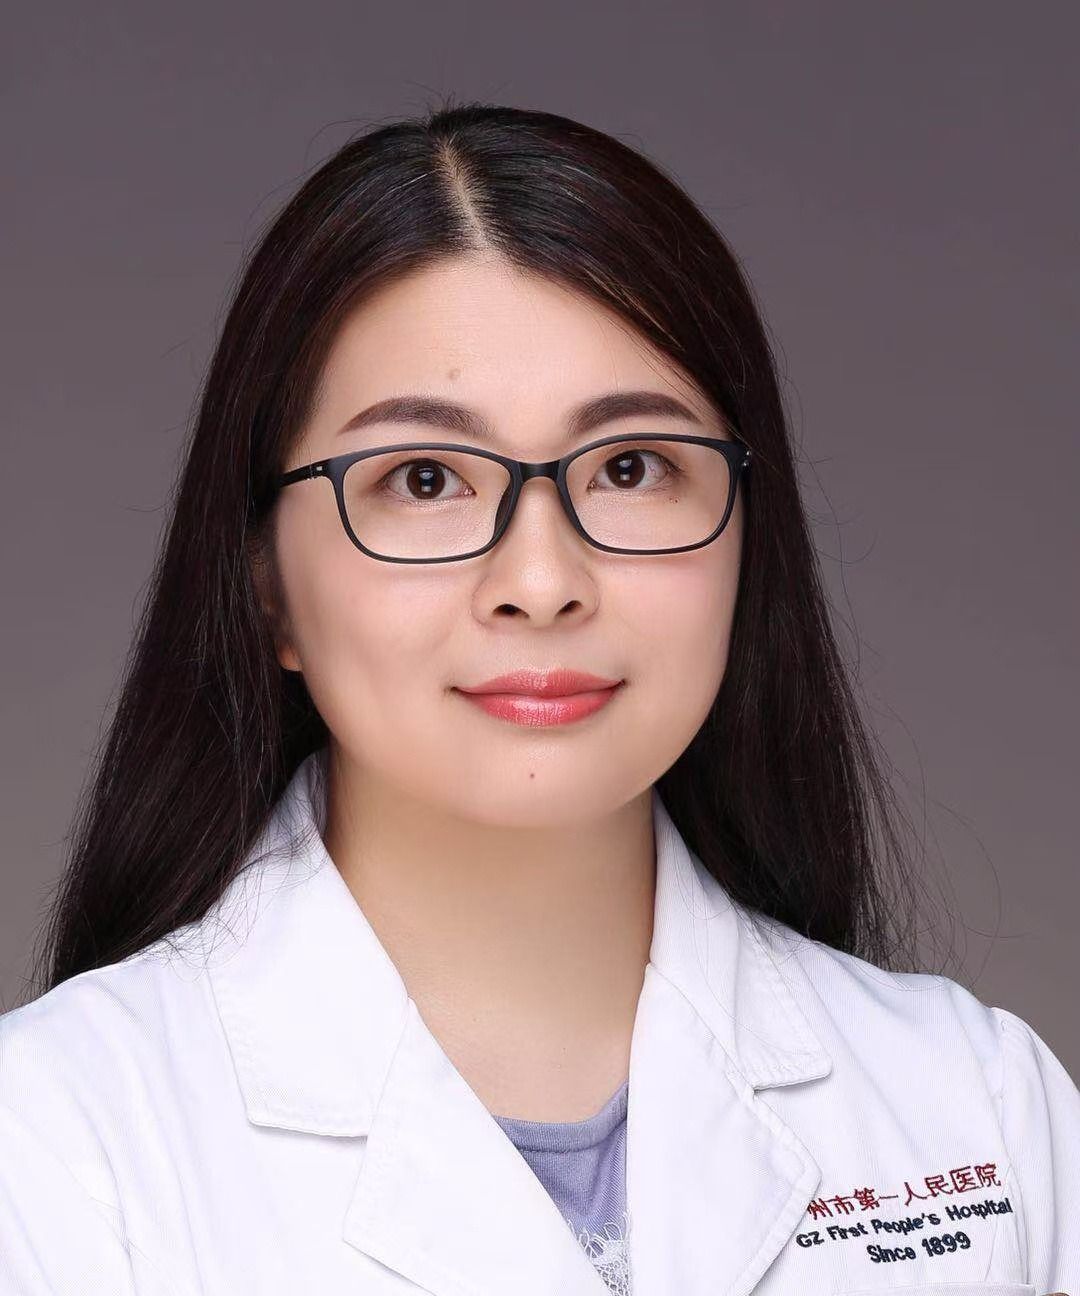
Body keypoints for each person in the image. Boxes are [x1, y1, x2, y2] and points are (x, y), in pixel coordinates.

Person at [0, 99, 1075, 1296]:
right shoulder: (55, 1149)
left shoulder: (981, 1113)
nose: (541, 581)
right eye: (424, 478)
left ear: (747, 539)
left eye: (631, 468)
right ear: (265, 584)